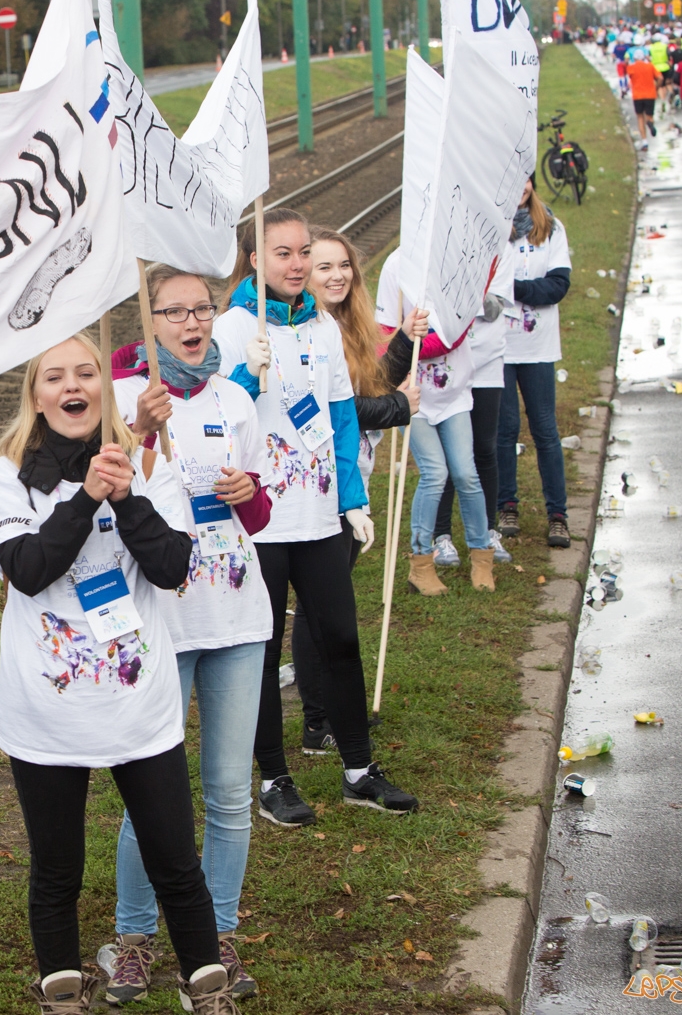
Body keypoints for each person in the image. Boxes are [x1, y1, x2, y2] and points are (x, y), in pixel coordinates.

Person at [0, 333, 237, 1015]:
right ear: (35, 393)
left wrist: (126, 497)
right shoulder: (6, 475)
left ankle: (205, 986)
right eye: (55, 375)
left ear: (105, 386)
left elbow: (174, 567)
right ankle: (62, 993)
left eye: (86, 372)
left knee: (175, 863)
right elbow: (29, 571)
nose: (73, 386)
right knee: (58, 867)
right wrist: (84, 496)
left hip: (140, 707)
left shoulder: (147, 464)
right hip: (47, 710)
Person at [211, 207, 421, 824]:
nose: (298, 264)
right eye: (284, 253)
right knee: (263, 647)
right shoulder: (232, 328)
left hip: (320, 514)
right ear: (256, 259)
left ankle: (359, 768)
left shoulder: (325, 326)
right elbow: (218, 426)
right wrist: (246, 378)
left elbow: (341, 419)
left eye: (304, 252)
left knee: (341, 640)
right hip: (261, 520)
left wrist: (352, 499)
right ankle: (274, 778)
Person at [102, 265, 274, 1005]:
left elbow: (262, 517)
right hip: (160, 620)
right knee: (154, 794)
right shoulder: (122, 399)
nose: (192, 322)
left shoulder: (237, 398)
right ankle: (134, 938)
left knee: (230, 789)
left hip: (237, 617)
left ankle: (220, 937)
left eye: (201, 309)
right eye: (174, 311)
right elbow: (104, 508)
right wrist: (140, 428)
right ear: (151, 320)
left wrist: (250, 493)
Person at [292, 227, 423, 752]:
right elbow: (330, 410)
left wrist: (406, 342)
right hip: (320, 484)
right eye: (324, 267)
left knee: (331, 601)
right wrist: (398, 409)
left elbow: (370, 385)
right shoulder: (307, 331)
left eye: (343, 265)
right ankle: (317, 720)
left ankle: (328, 712)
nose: (337, 275)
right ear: (303, 274)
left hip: (353, 480)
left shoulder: (347, 324)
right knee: (319, 606)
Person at [374, 251, 498, 595]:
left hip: (454, 392)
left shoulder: (459, 258)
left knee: (466, 473)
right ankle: (421, 562)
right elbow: (385, 333)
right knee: (435, 473)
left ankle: (481, 556)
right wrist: (405, 340)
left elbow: (454, 334)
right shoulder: (397, 265)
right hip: (414, 397)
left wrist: (412, 338)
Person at [496, 179, 574, 549]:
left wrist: (516, 290)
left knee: (545, 430)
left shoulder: (552, 227)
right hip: (499, 348)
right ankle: (506, 505)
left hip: (539, 348)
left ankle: (557, 514)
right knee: (505, 429)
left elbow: (558, 285)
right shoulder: (491, 230)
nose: (520, 185)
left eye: (526, 177)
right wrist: (527, 288)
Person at [433, 236, 516, 568]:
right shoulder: (445, 241)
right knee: (449, 453)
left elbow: (494, 307)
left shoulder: (501, 249)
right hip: (447, 362)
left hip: (485, 364)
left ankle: (487, 533)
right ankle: (441, 537)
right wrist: (472, 299)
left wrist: (456, 297)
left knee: (484, 447)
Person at [627, 49, 661, 148]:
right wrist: (656, 87)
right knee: (649, 116)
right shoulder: (650, 66)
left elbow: (630, 76)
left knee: (640, 116)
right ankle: (650, 123)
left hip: (637, 95)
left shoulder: (631, 67)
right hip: (650, 94)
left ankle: (644, 141)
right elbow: (660, 78)